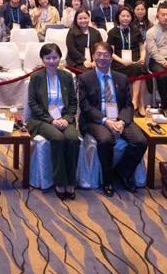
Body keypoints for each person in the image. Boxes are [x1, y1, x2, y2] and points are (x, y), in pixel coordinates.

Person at [76, 42, 147, 197]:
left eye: (106, 55)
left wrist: (122, 121)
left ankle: (123, 172)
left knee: (140, 141)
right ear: (93, 56)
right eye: (98, 54)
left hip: (119, 118)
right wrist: (105, 121)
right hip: (95, 120)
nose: (102, 58)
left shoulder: (121, 78)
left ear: (111, 57)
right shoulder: (85, 78)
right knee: (106, 140)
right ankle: (107, 180)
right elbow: (85, 106)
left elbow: (128, 105)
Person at [27, 43, 81, 199]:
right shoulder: (36, 77)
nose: (52, 61)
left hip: (64, 118)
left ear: (60, 58)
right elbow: (33, 104)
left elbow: (73, 102)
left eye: (55, 57)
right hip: (42, 120)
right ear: (42, 59)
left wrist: (67, 119)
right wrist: (51, 120)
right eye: (48, 58)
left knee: (72, 138)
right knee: (58, 138)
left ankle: (71, 181)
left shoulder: (66, 76)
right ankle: (59, 181)